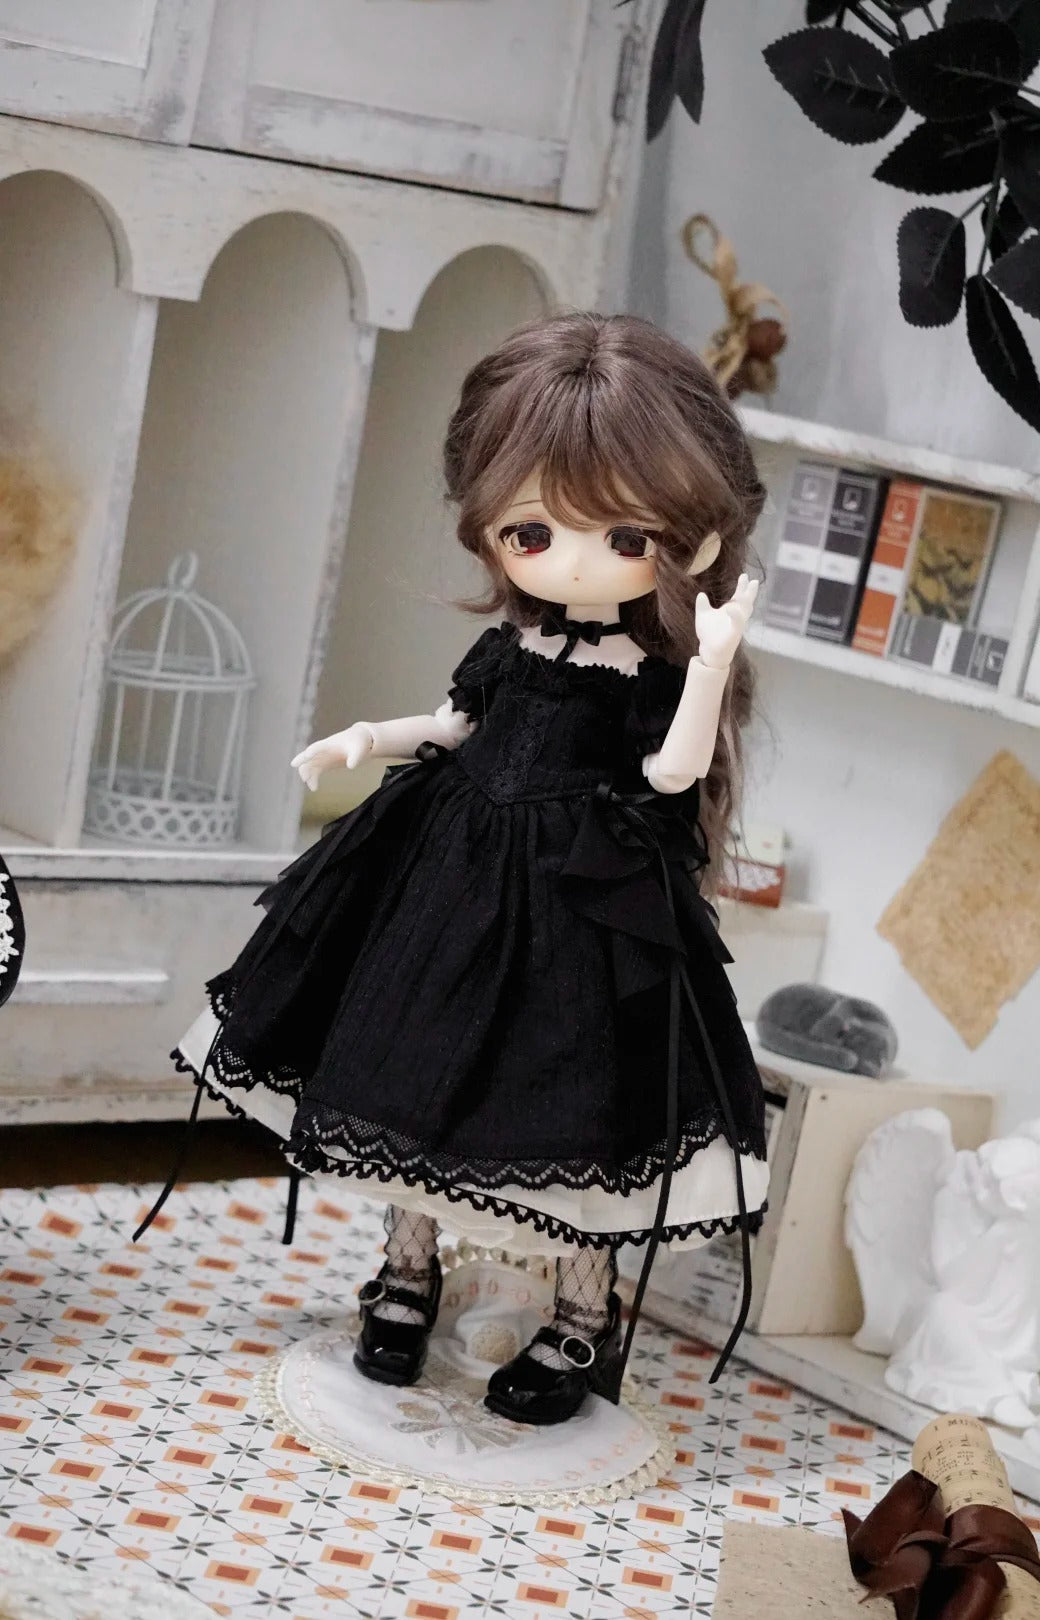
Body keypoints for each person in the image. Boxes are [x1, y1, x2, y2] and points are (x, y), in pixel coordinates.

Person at [164, 312, 770, 1425]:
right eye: (532, 531)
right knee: (407, 1067)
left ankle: (581, 1316)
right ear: (489, 528)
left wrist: (711, 665)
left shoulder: (647, 670)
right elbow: (455, 726)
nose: (572, 560)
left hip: (580, 904)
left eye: (623, 535)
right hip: (452, 872)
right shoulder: (512, 648)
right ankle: (406, 1272)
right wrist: (364, 739)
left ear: (686, 543)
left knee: (574, 1105)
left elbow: (673, 776)